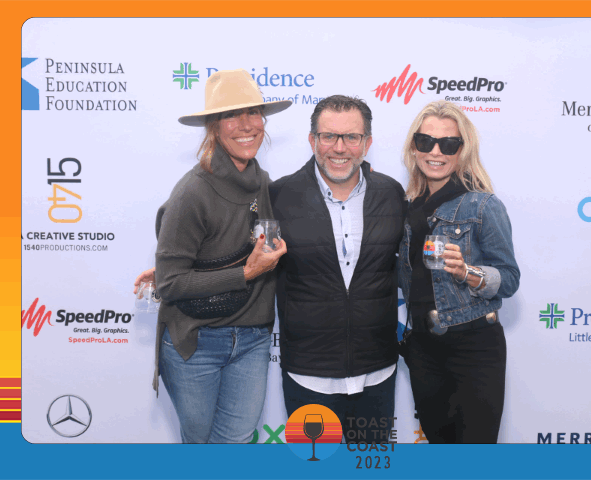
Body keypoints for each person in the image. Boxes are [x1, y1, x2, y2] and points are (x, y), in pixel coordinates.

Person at [149, 69, 288, 443]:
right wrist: (244, 273)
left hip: (253, 339)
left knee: (236, 446)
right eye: (231, 115)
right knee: (201, 449)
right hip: (198, 341)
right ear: (213, 126)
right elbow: (171, 284)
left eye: (253, 112)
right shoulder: (192, 192)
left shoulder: (264, 184)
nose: (245, 125)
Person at [269, 96, 406, 443]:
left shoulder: (392, 194)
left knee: (370, 466)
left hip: (377, 372)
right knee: (315, 465)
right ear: (312, 140)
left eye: (352, 137)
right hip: (308, 375)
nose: (340, 148)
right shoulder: (279, 196)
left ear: (367, 143)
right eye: (329, 136)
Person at [397, 100, 520, 443]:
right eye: (426, 141)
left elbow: (509, 278)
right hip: (423, 348)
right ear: (414, 147)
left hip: (473, 347)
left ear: (462, 150)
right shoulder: (404, 208)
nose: (435, 152)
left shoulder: (482, 205)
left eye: (448, 144)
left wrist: (468, 273)